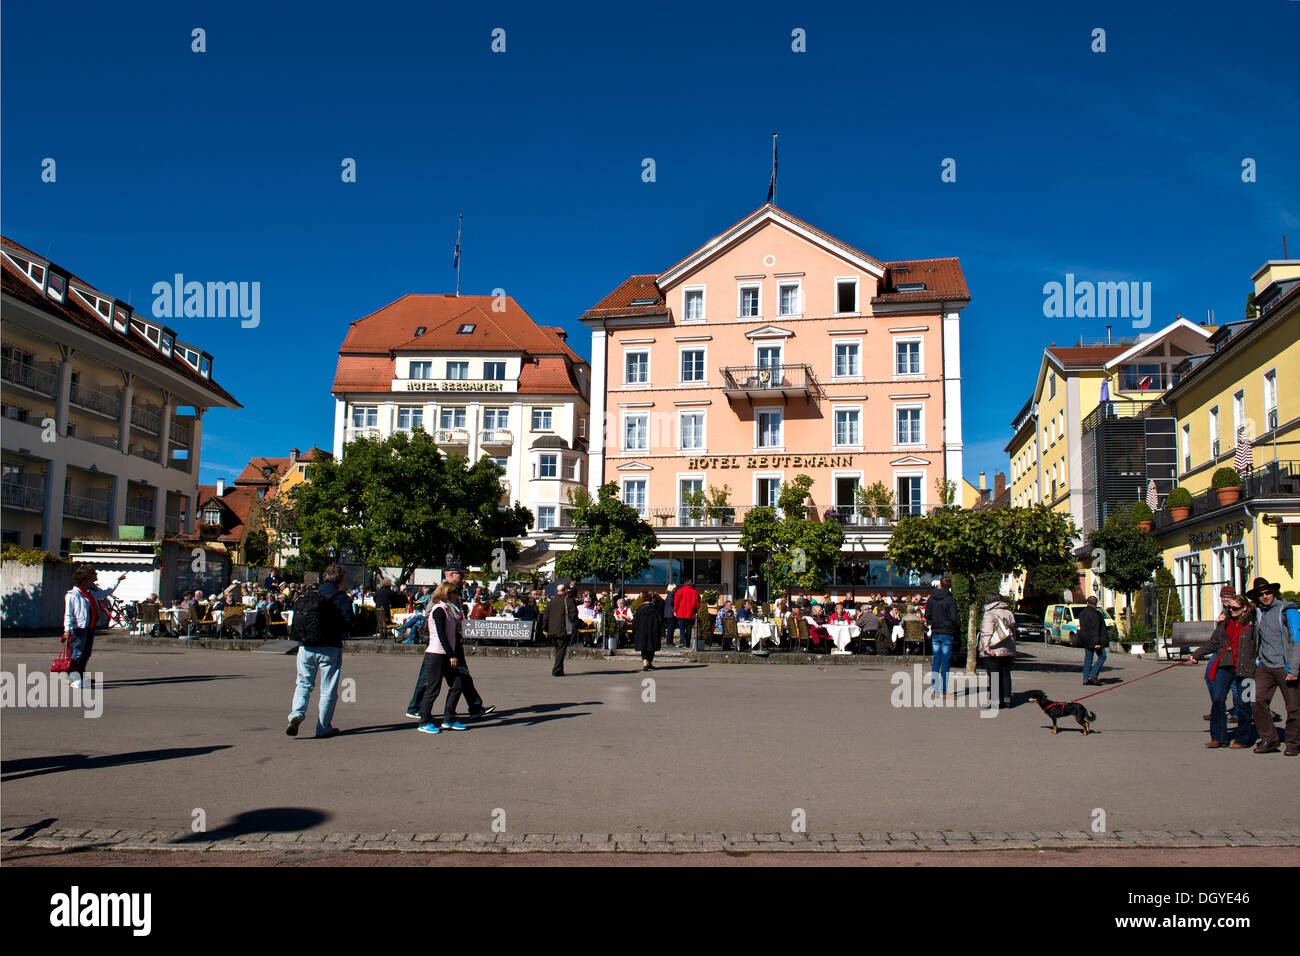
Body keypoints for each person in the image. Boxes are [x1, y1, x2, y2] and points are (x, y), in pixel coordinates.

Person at [285, 564, 351, 738]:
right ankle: (323, 726)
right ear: (341, 579)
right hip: (330, 646)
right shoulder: (341, 597)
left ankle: (297, 714)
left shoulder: (310, 594)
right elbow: (349, 623)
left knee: (303, 683)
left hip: (306, 645)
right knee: (328, 688)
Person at [1188, 591, 1260, 750]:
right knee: (1218, 700)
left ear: (1245, 608)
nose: (1232, 611)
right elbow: (1213, 643)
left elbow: (1260, 644)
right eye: (1230, 609)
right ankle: (1218, 737)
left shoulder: (1253, 624)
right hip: (1225, 667)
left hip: (1246, 669)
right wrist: (1196, 654)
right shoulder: (1224, 624)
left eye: (1235, 608)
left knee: (1244, 703)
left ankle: (1242, 738)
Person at [1244, 578, 1300, 755]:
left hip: (1286, 666)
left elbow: (1298, 640)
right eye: (1261, 594)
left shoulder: (1288, 611)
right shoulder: (1258, 612)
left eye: (1267, 593)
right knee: (1255, 698)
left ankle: (1293, 743)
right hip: (1265, 666)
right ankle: (1270, 739)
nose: (1265, 596)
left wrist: (1294, 668)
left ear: (1273, 593)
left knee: (1293, 708)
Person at [62, 565, 126, 688]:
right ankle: (73, 678)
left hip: (89, 627)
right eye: (91, 580)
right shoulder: (72, 595)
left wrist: (117, 581)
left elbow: (106, 593)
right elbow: (68, 614)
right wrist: (67, 629)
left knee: (86, 653)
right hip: (78, 628)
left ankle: (80, 676)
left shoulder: (89, 593)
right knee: (77, 653)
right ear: (84, 580)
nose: (92, 582)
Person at [977, 592, 1016, 710]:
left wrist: (985, 648)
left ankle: (995, 701)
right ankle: (1007, 699)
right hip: (1007, 648)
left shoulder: (989, 614)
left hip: (993, 649)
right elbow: (1013, 631)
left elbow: (986, 633)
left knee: (994, 675)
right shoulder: (1009, 613)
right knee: (1005, 673)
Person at [924, 575, 960, 699]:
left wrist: (932, 621)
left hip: (936, 631)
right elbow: (954, 617)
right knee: (945, 662)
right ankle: (944, 690)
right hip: (947, 632)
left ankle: (934, 690)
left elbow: (927, 614)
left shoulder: (932, 598)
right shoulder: (951, 599)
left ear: (940, 584)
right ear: (949, 585)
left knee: (936, 661)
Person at [544, 582, 580, 676]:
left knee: (558, 649)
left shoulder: (551, 602)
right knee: (561, 649)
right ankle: (557, 669)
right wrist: (580, 624)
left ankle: (559, 669)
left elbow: (545, 616)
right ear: (565, 591)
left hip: (552, 629)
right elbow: (573, 616)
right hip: (563, 629)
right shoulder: (568, 601)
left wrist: (545, 629)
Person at [1078, 595, 1108, 686]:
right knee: (1103, 656)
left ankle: (1085, 679)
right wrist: (1097, 642)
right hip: (1095, 640)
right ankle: (1093, 675)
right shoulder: (1095, 614)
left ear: (1087, 603)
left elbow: (1081, 627)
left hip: (1086, 639)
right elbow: (1095, 629)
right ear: (1096, 603)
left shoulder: (1082, 613)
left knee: (1088, 659)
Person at [633, 591, 664, 671]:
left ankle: (645, 663)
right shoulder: (655, 609)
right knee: (652, 647)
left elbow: (635, 621)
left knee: (644, 647)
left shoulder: (639, 609)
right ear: (651, 600)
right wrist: (662, 633)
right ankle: (650, 663)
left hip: (642, 631)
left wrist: (635, 631)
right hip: (653, 631)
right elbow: (660, 621)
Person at [673, 579, 700, 650]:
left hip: (681, 612)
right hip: (691, 613)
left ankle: (682, 641)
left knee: (682, 628)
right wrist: (696, 610)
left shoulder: (680, 591)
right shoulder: (695, 592)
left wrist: (675, 610)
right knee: (689, 628)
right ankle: (687, 643)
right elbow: (697, 603)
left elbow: (676, 602)